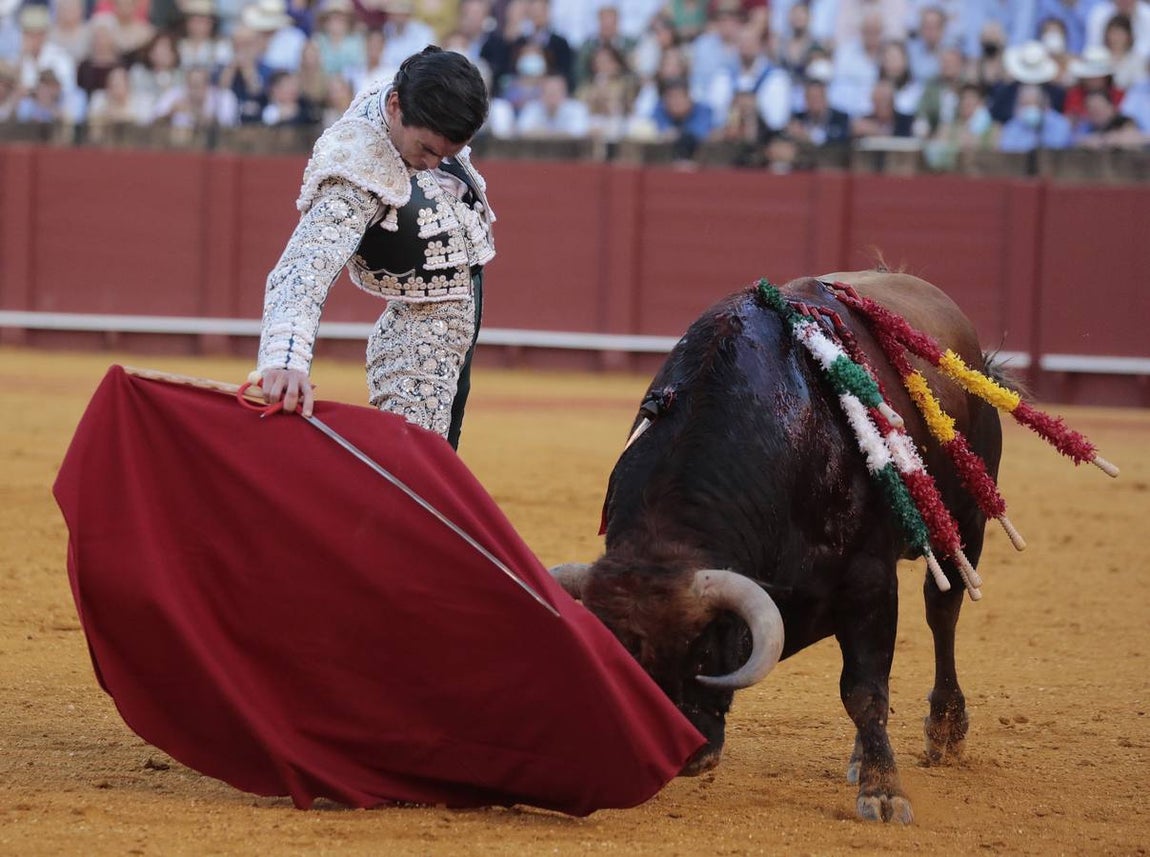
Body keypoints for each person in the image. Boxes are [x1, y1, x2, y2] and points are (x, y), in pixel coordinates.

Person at [254, 46, 494, 450]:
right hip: (418, 335)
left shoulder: (409, 93)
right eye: (428, 150)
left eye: (448, 154)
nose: (435, 166)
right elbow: (303, 268)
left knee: (436, 458)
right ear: (397, 108)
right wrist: (285, 358)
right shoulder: (356, 172)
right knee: (417, 467)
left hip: (458, 312)